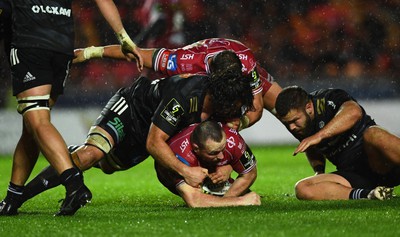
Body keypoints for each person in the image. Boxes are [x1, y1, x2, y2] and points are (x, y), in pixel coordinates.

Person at [17, 69, 254, 207]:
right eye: (235, 106)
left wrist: (222, 167)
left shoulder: (219, 104)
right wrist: (185, 172)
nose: (238, 112)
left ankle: (71, 155)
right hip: (131, 111)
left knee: (105, 166)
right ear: (222, 100)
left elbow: (210, 141)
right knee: (91, 154)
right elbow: (154, 143)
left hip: (151, 135)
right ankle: (19, 197)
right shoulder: (183, 97)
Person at [0, 0, 143, 216]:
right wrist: (123, 37)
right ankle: (12, 199)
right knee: (31, 126)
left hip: (31, 42)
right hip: (61, 46)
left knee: (38, 122)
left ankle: (74, 184)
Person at [73, 38, 283, 130]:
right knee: (207, 124)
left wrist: (240, 124)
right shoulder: (185, 62)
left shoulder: (246, 63)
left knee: (288, 108)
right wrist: (91, 52)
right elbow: (136, 54)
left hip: (243, 58)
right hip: (201, 73)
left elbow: (256, 110)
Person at [275, 86, 400, 201]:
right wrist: (319, 171)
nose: (291, 127)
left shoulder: (329, 98)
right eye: (287, 123)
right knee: (302, 188)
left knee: (374, 134)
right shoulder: (298, 125)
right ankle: (369, 195)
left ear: (308, 107)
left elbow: (354, 111)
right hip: (353, 174)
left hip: (381, 161)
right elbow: (310, 146)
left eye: (295, 120)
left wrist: (319, 136)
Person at [156, 120, 260, 207]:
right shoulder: (179, 154)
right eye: (214, 153)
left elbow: (250, 173)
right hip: (167, 171)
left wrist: (227, 199)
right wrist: (241, 201)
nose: (221, 156)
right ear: (196, 149)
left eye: (223, 149)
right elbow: (194, 201)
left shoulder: (232, 139)